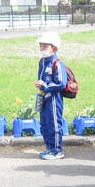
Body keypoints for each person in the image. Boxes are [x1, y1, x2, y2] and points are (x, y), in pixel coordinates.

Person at [35, 31, 67, 160]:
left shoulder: (58, 63)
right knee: (45, 123)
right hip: (43, 96)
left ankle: (56, 150)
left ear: (54, 48)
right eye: (41, 45)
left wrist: (46, 86)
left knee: (54, 123)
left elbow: (61, 83)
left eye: (45, 46)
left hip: (53, 98)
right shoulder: (42, 61)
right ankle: (49, 147)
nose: (42, 48)